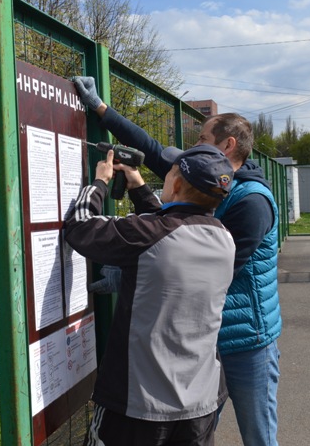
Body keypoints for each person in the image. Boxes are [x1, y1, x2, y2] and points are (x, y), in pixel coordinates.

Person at [73, 76, 282, 446]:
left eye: (201, 139)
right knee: (189, 423)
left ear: (227, 144)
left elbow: (182, 253)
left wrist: (131, 272)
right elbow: (159, 169)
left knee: (258, 435)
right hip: (199, 347)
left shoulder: (252, 203)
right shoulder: (212, 189)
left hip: (246, 341)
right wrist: (103, 110)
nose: (192, 146)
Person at [64, 145, 235, 446]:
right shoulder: (223, 237)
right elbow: (172, 227)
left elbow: (80, 228)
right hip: (200, 402)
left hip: (138, 406)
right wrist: (138, 186)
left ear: (177, 184)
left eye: (169, 172)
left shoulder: (149, 234)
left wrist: (100, 183)